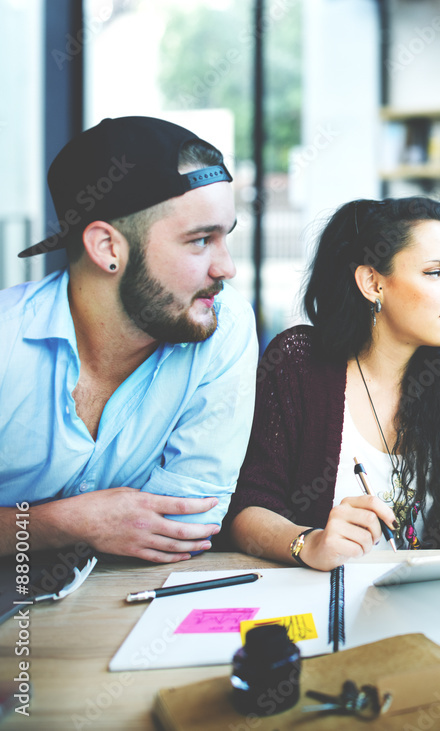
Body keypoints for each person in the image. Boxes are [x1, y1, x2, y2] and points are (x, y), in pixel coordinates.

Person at [227, 197, 440, 597]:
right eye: (436, 272)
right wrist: (308, 542)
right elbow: (248, 507)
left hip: (437, 603)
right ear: (373, 282)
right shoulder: (298, 362)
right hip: (321, 601)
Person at [0, 116, 257, 563]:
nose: (226, 269)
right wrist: (70, 522)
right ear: (107, 248)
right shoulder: (7, 341)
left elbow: (185, 526)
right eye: (200, 241)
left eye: (225, 237)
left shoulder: (223, 324)